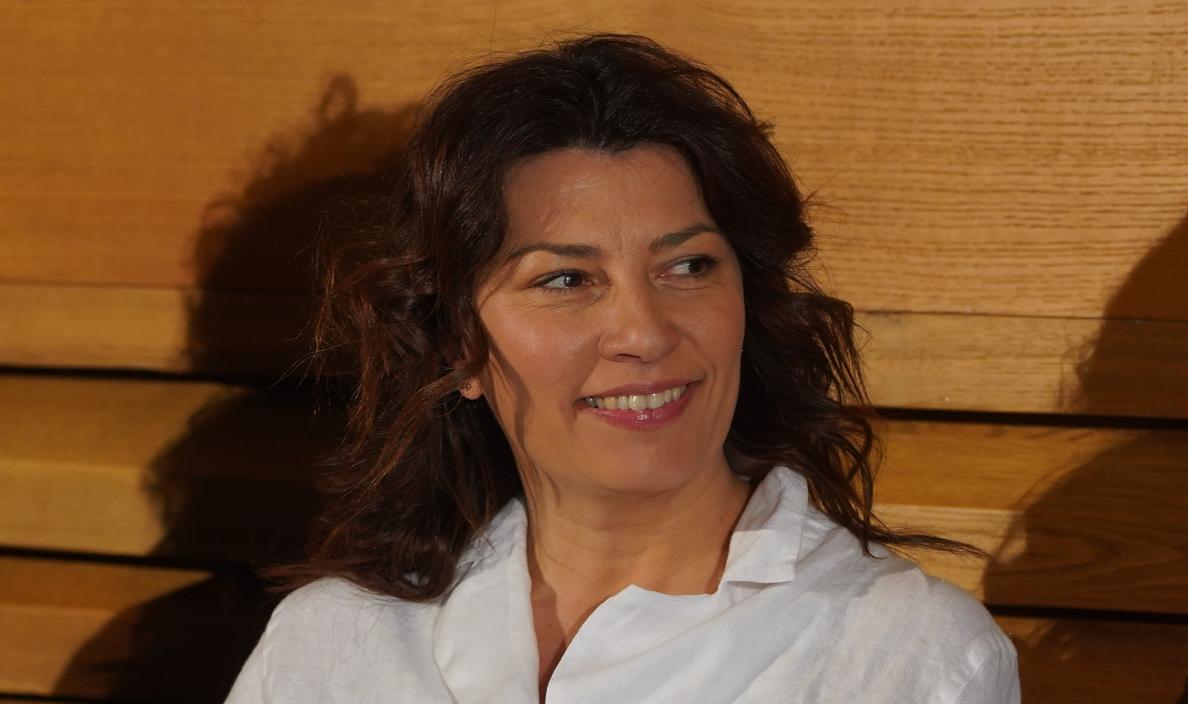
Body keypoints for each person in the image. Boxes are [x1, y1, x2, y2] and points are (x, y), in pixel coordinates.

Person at [225, 33, 1019, 703]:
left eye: (689, 267)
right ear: (454, 344)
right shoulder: (331, 643)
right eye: (566, 280)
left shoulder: (905, 658)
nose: (643, 332)